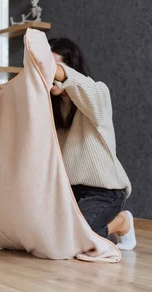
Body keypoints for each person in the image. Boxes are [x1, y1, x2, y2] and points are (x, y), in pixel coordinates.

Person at [49, 37, 136, 250]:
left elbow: (80, 85)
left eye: (54, 67)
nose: (49, 75)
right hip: (69, 191)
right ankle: (96, 229)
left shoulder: (98, 93)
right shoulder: (51, 107)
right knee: (46, 236)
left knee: (73, 240)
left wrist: (54, 69)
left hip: (103, 191)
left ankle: (122, 222)